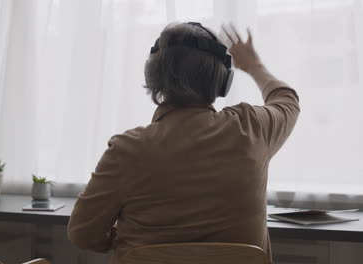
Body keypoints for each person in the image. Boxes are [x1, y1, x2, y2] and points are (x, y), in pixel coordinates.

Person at [67, 22, 300, 264]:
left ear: (152, 76)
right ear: (222, 82)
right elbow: (287, 100)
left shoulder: (127, 150)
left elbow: (83, 233)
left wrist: (130, 246)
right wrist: (253, 65)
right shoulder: (253, 128)